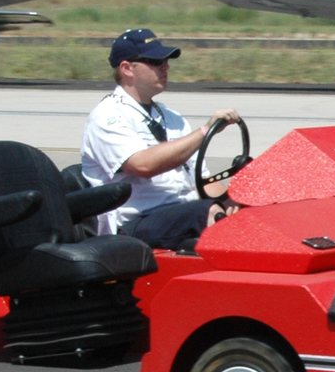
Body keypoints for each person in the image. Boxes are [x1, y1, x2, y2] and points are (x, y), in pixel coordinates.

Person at [81, 28, 240, 250]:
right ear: (127, 68)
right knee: (208, 213)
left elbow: (203, 181)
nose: (165, 66)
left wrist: (232, 202)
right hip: (133, 223)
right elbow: (143, 164)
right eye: (155, 61)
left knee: (243, 212)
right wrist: (204, 131)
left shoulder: (172, 118)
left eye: (165, 60)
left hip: (179, 213)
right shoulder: (107, 116)